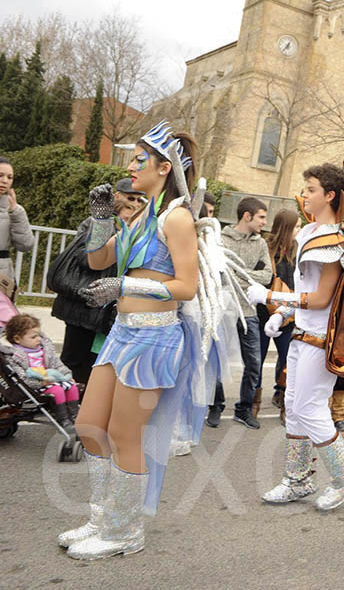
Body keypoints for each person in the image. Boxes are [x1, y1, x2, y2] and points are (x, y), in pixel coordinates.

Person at [61, 121, 203, 560]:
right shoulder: (141, 214)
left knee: (126, 434)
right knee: (88, 426)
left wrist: (130, 287)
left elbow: (187, 287)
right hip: (121, 333)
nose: (131, 165)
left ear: (165, 167)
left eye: (140, 159)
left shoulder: (177, 218)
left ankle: (124, 530)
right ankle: (104, 517)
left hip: (154, 340)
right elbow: (98, 258)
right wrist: (103, 218)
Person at [247, 163, 344, 510]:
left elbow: (321, 299)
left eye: (312, 189)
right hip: (303, 334)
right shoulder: (310, 233)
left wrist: (272, 298)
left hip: (321, 339)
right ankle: (298, 479)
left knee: (309, 408)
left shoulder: (332, 240)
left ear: (330, 195)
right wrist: (284, 314)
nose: (305, 195)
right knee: (293, 406)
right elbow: (307, 291)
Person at [48, 179, 143, 385]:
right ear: (118, 198)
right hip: (83, 306)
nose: (135, 203)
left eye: (138, 199)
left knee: (95, 363)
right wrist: (112, 245)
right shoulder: (97, 224)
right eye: (130, 198)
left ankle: (80, 403)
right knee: (73, 361)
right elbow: (84, 258)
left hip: (106, 312)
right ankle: (65, 402)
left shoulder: (139, 230)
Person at [207, 197, 272, 429]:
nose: (265, 222)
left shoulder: (261, 243)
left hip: (249, 311)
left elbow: (267, 276)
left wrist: (240, 274)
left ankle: (244, 409)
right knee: (217, 361)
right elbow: (218, 273)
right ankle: (215, 405)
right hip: (223, 310)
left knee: (253, 363)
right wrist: (246, 276)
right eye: (261, 217)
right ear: (247, 216)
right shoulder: (220, 239)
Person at [1, 314, 78, 433]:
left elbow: (56, 364)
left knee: (72, 387)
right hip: (36, 386)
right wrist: (41, 383)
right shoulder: (15, 356)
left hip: (51, 379)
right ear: (17, 339)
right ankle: (63, 419)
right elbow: (23, 377)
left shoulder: (44, 349)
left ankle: (75, 416)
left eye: (39, 335)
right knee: (57, 390)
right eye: (33, 337)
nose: (39, 339)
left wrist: (67, 375)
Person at [258, 209, 299, 412]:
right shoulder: (266, 247)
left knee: (288, 358)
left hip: (289, 313)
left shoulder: (297, 250)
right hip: (264, 310)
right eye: (297, 227)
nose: (299, 230)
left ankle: (282, 395)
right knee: (258, 358)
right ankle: (252, 403)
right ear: (287, 228)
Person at [0, 156, 35, 281]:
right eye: (0, 175)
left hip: (2, 276)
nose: (5, 181)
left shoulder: (15, 210)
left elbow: (26, 245)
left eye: (9, 177)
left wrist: (14, 211)